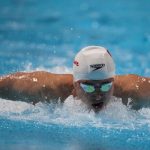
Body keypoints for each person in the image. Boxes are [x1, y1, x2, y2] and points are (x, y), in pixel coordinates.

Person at [0, 46, 150, 112]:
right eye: (89, 87)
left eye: (105, 86)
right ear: (75, 84)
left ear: (113, 82)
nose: (98, 94)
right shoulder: (49, 89)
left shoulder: (134, 92)